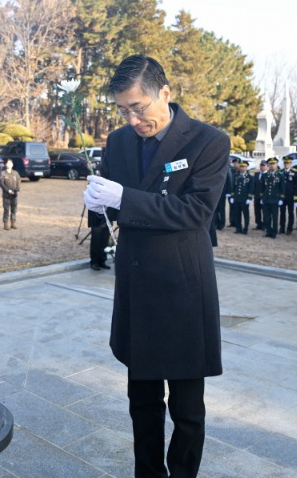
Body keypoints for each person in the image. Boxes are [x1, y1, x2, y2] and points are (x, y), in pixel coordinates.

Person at [84, 55, 229, 478]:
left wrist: (122, 199)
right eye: (123, 110)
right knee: (142, 404)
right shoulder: (118, 142)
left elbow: (196, 211)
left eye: (139, 107)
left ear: (164, 93)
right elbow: (110, 208)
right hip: (137, 285)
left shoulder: (207, 141)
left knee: (187, 409)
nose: (133, 119)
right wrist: (96, 205)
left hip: (183, 287)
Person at [260, 157, 284, 239]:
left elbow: (282, 188)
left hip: (275, 199)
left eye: (273, 164)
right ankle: (268, 231)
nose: (272, 166)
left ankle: (274, 231)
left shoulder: (280, 175)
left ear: (277, 165)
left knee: (274, 216)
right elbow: (262, 187)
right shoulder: (265, 175)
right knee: (266, 216)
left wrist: (281, 199)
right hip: (267, 199)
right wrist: (261, 197)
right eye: (270, 164)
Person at [229, 160, 254, 234]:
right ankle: (238, 228)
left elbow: (251, 188)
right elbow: (233, 186)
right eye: (241, 166)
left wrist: (249, 198)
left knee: (245, 214)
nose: (242, 168)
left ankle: (245, 228)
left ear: (246, 167)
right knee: (237, 214)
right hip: (237, 198)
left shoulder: (250, 177)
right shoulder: (236, 176)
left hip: (245, 198)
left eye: (244, 166)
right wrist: (232, 196)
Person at [0, 158, 21, 230]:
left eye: (10, 163)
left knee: (14, 209)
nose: (9, 164)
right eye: (7, 163)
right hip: (6, 195)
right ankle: (5, 223)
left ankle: (13, 222)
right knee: (6, 209)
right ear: (6, 164)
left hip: (14, 195)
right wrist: (7, 190)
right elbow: (1, 183)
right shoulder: (3, 173)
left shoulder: (15, 173)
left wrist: (18, 190)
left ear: (12, 165)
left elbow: (18, 181)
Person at [279, 157, 297, 235]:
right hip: (282, 196)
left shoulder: (295, 172)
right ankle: (282, 227)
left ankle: (289, 228)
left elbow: (296, 185)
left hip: (290, 196)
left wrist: (295, 195)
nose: (286, 164)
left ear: (291, 164)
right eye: (285, 163)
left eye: (288, 163)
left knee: (290, 212)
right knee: (282, 212)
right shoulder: (281, 172)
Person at [253, 160, 268, 230]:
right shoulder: (256, 174)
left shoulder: (268, 175)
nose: (262, 167)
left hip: (265, 197)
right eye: (261, 165)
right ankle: (258, 224)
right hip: (257, 195)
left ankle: (265, 225)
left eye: (263, 165)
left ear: (267, 167)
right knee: (257, 211)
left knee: (265, 211)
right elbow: (254, 185)